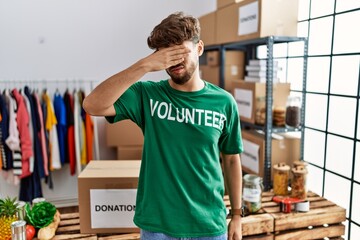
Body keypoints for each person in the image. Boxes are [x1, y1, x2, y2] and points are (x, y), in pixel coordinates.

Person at [83, 11, 243, 240]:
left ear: (199, 48)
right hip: (157, 227)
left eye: (180, 50)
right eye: (166, 53)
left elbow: (231, 158)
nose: (174, 60)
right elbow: (92, 105)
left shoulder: (224, 102)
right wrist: (144, 65)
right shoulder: (146, 95)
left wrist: (237, 214)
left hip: (209, 225)